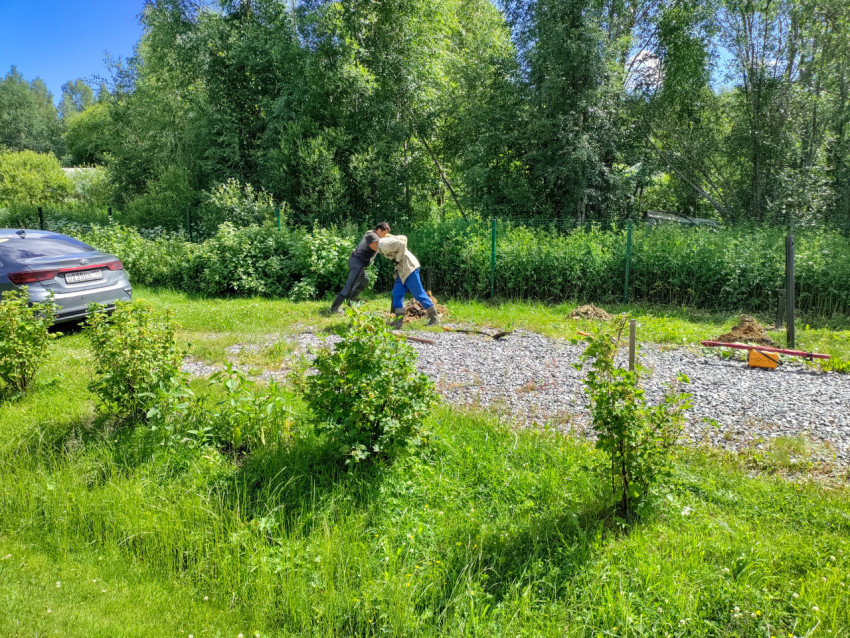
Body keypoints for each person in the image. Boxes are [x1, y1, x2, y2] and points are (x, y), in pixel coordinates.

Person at [376, 233, 439, 328]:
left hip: (409, 267)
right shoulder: (383, 244)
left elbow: (402, 244)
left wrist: (397, 259)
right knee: (397, 294)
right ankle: (398, 322)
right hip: (401, 269)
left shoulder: (383, 244)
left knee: (418, 293)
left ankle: (434, 318)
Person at [329, 222, 391, 314]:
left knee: (365, 280)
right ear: (379, 230)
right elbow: (375, 246)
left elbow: (383, 240)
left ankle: (351, 304)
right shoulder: (372, 235)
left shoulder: (373, 234)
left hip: (356, 262)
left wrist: (392, 238)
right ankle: (334, 309)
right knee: (349, 286)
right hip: (358, 263)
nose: (384, 236)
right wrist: (390, 248)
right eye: (384, 234)